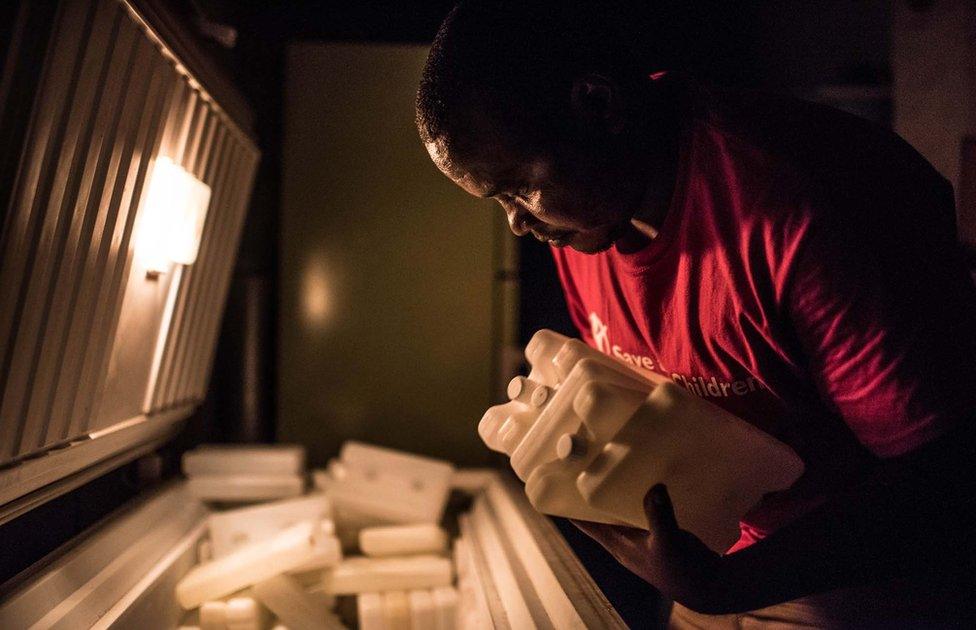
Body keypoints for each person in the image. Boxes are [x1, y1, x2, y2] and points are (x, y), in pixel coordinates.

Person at [416, 1, 976, 627]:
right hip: (720, 566)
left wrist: (740, 581)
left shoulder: (803, 204)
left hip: (857, 584)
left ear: (597, 106)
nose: (518, 223)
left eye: (517, 186)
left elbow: (951, 484)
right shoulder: (589, 210)